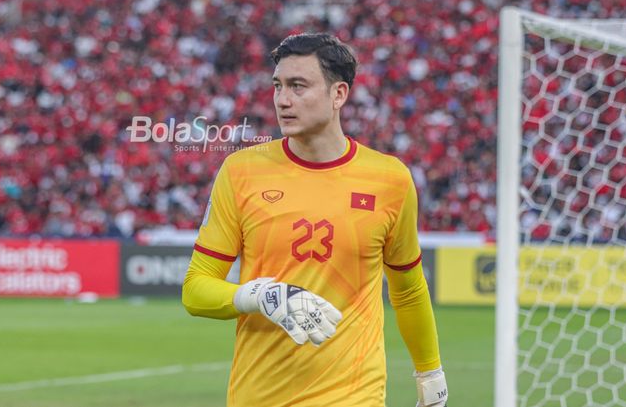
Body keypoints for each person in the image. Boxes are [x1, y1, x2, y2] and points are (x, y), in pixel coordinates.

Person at [182, 33, 448, 407]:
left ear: (338, 94)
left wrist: (430, 373)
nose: (282, 100)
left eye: (298, 86)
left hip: (354, 395)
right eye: (278, 86)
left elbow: (407, 289)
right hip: (258, 396)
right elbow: (195, 289)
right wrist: (260, 295)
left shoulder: (390, 180)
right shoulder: (241, 172)